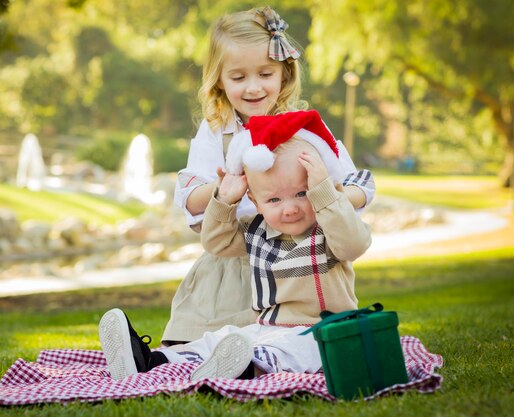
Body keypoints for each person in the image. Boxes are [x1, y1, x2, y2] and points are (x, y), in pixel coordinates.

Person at [99, 110, 372, 380]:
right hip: (266, 326)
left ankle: (245, 368)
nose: (289, 209)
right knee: (225, 337)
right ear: (254, 200)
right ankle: (152, 360)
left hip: (326, 330)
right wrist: (225, 200)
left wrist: (325, 193)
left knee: (294, 348)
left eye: (302, 193)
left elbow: (353, 245)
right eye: (274, 200)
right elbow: (216, 242)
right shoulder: (257, 231)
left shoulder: (329, 226)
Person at [162, 6, 375, 345]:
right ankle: (155, 359)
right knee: (199, 337)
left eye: (265, 74)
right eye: (238, 77)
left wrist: (324, 196)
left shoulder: (304, 129)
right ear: (218, 79)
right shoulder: (217, 130)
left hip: (298, 255)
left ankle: (248, 362)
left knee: (282, 341)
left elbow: (358, 184)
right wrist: (227, 187)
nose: (253, 88)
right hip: (234, 252)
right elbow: (190, 194)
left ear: (284, 75)